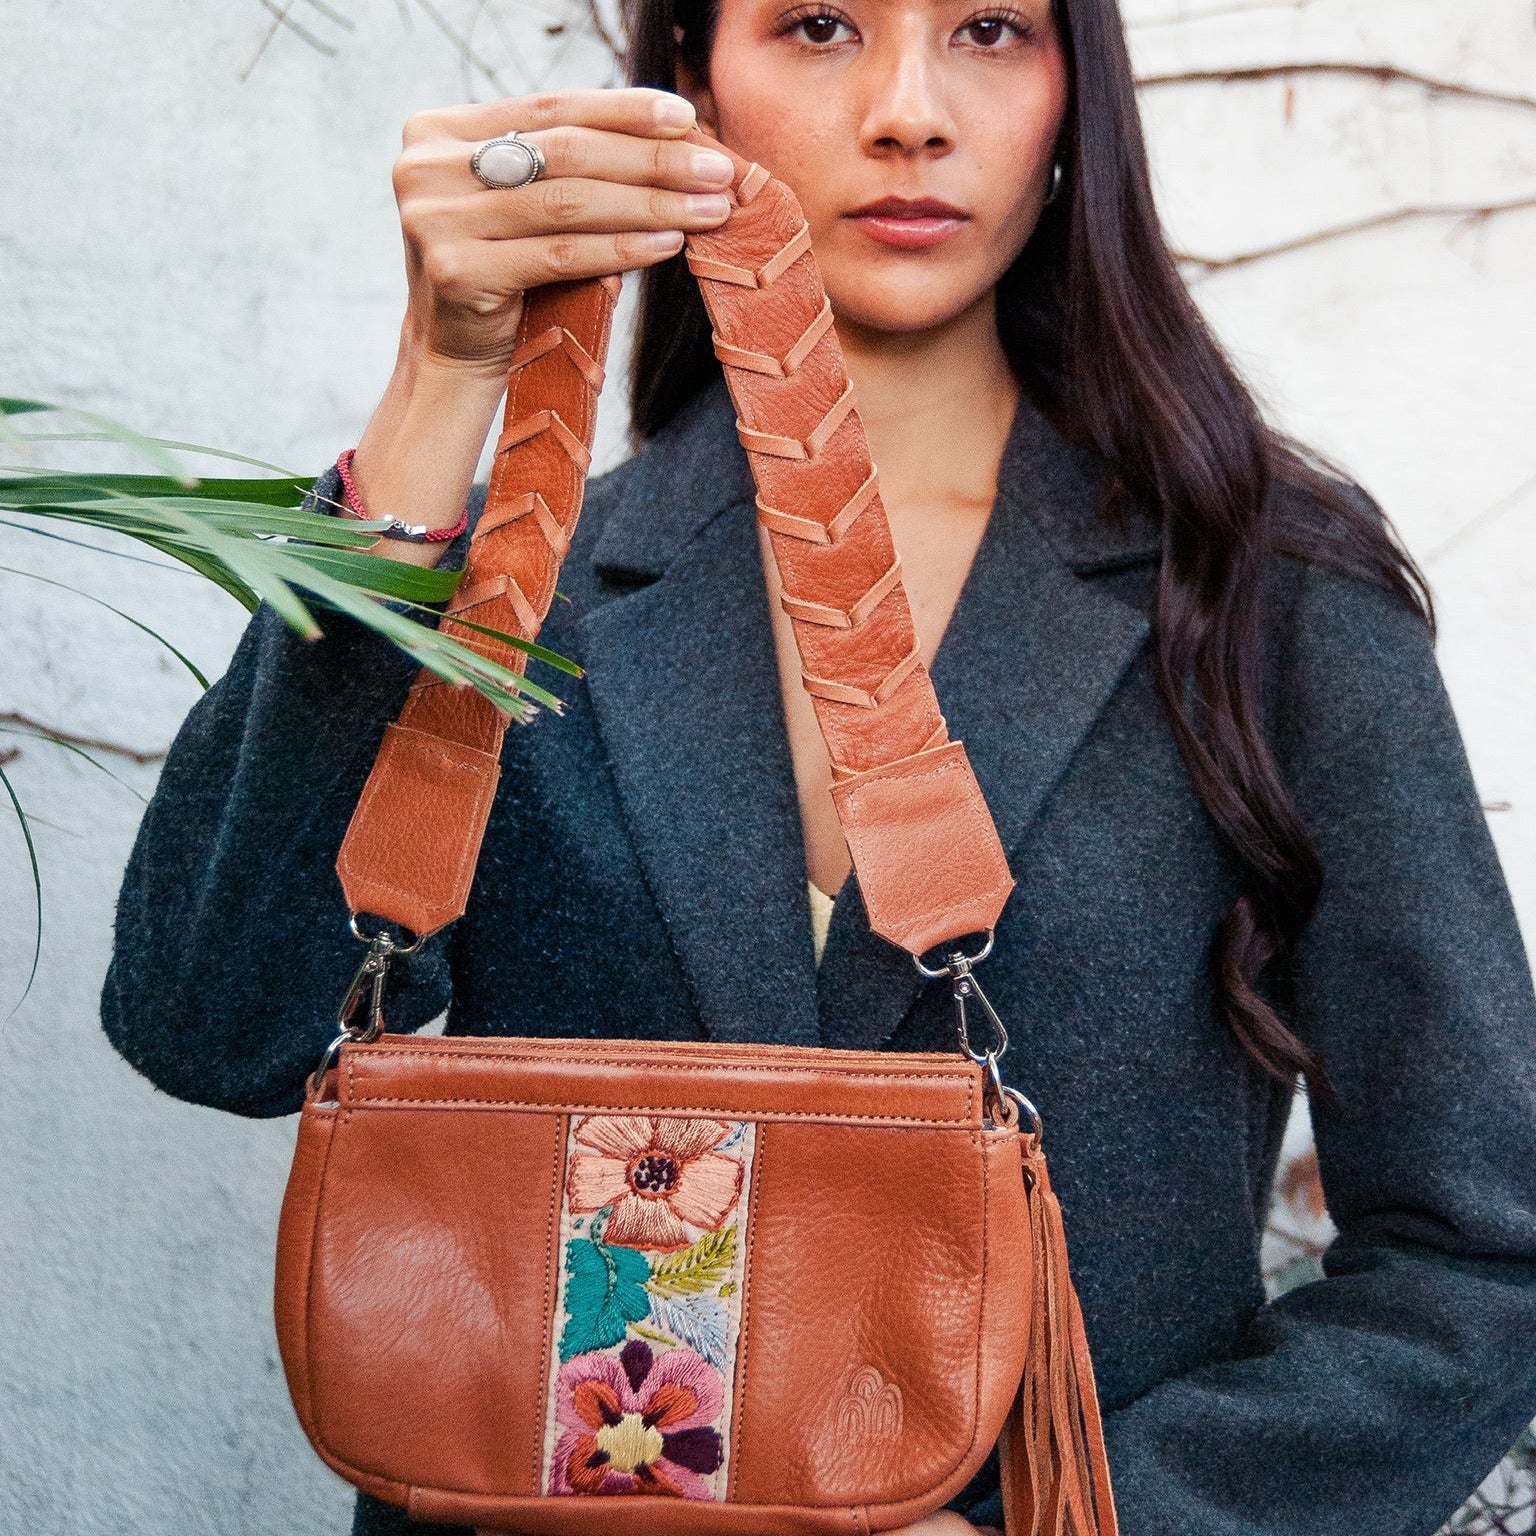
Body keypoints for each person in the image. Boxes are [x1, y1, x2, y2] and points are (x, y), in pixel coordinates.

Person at [101, 0, 1536, 1531]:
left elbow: (1484, 1247)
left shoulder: (1263, 599)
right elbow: (210, 1022)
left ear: (1075, 94)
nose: (910, 109)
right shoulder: (536, 591)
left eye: (988, 28)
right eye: (818, 25)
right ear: (687, 90)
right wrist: (438, 391)